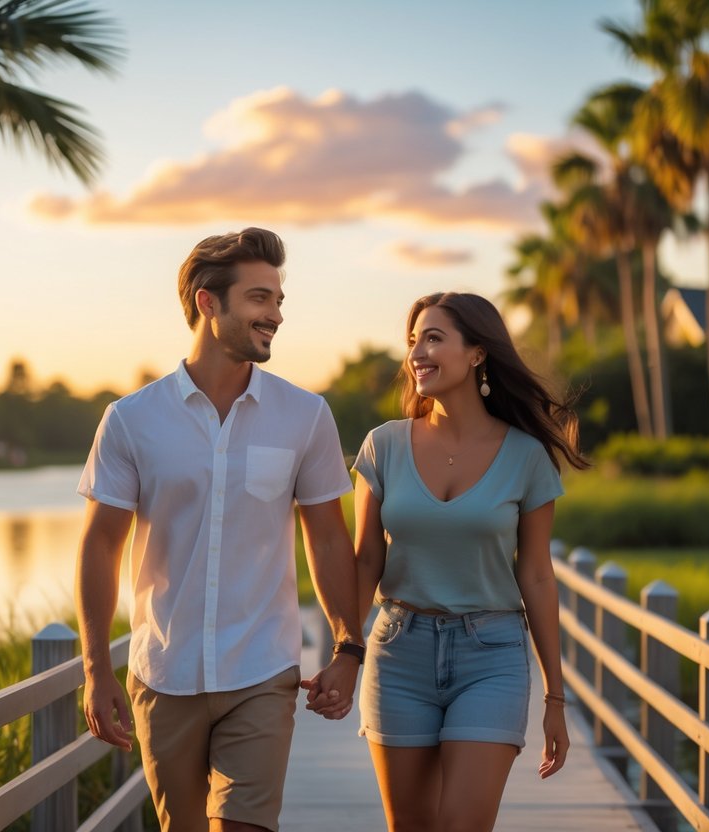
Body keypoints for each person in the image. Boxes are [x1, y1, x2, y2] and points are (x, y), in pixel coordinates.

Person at [75, 227, 364, 832]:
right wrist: (96, 668)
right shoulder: (131, 420)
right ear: (210, 303)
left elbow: (329, 538)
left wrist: (347, 647)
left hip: (263, 669)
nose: (277, 316)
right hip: (163, 672)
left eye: (279, 301)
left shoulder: (305, 416)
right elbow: (101, 544)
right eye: (261, 299)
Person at [352, 291, 588, 831]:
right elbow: (366, 560)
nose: (417, 353)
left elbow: (536, 574)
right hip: (399, 651)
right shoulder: (382, 446)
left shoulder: (526, 456)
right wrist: (346, 648)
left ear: (478, 353)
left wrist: (556, 696)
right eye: (412, 341)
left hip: (492, 656)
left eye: (434, 338)